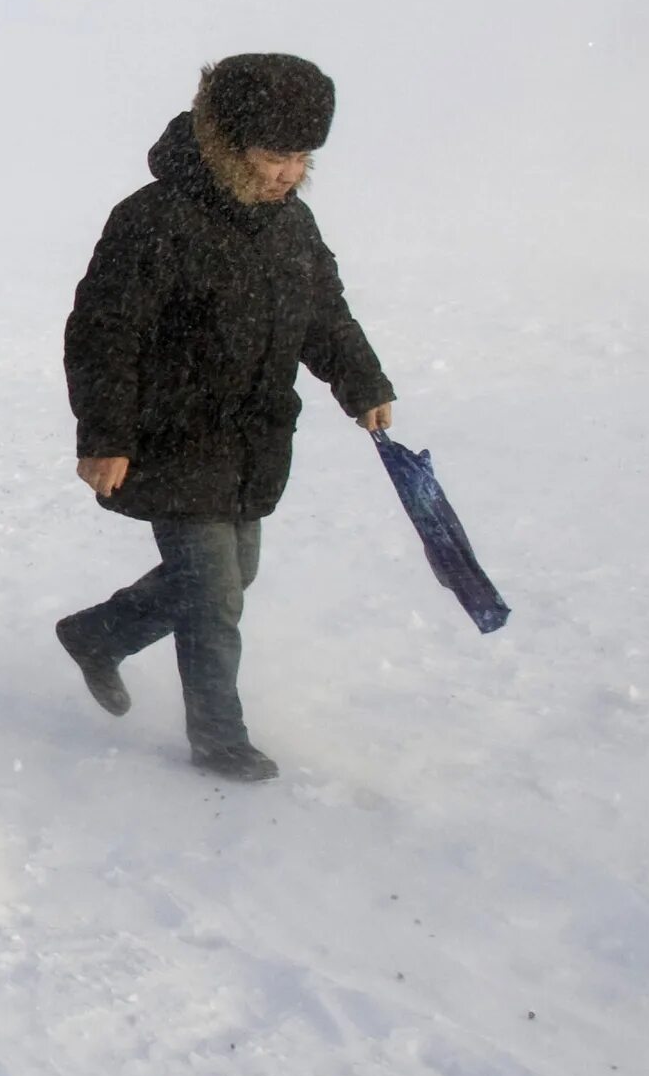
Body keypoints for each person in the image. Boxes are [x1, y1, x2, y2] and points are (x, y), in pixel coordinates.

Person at [56, 54, 396, 782]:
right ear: (224, 142)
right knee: (213, 596)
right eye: (276, 155)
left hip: (252, 438)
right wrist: (106, 434)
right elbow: (102, 332)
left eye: (303, 158)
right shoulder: (153, 219)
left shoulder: (291, 225)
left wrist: (361, 379)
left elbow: (324, 315)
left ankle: (98, 633)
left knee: (233, 575)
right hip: (169, 435)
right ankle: (219, 736)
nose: (289, 173)